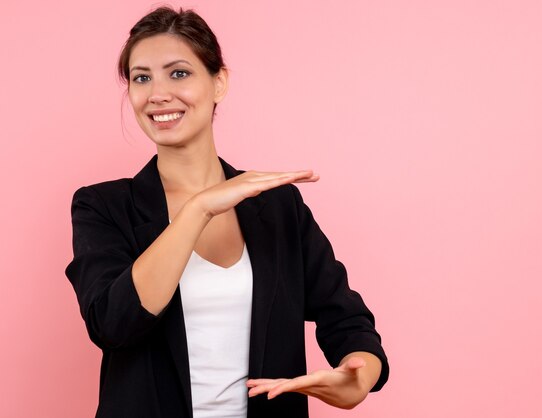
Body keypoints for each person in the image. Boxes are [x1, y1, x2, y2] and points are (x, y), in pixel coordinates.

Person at [65, 6, 389, 418]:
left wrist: (357, 376)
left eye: (178, 73)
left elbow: (347, 318)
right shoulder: (102, 206)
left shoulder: (278, 206)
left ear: (219, 83)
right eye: (141, 77)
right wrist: (199, 208)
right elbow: (113, 323)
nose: (158, 93)